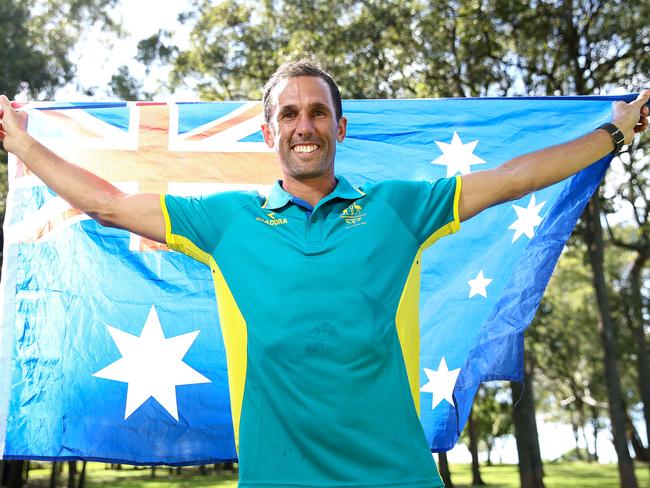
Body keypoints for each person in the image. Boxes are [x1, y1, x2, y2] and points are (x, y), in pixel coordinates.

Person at [0, 61, 648, 488]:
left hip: (397, 477)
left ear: (339, 126)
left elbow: (511, 179)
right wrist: (22, 143)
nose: (303, 125)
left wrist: (612, 136)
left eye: (316, 112)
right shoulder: (226, 221)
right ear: (267, 134)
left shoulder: (398, 207)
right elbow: (110, 205)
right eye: (288, 114)